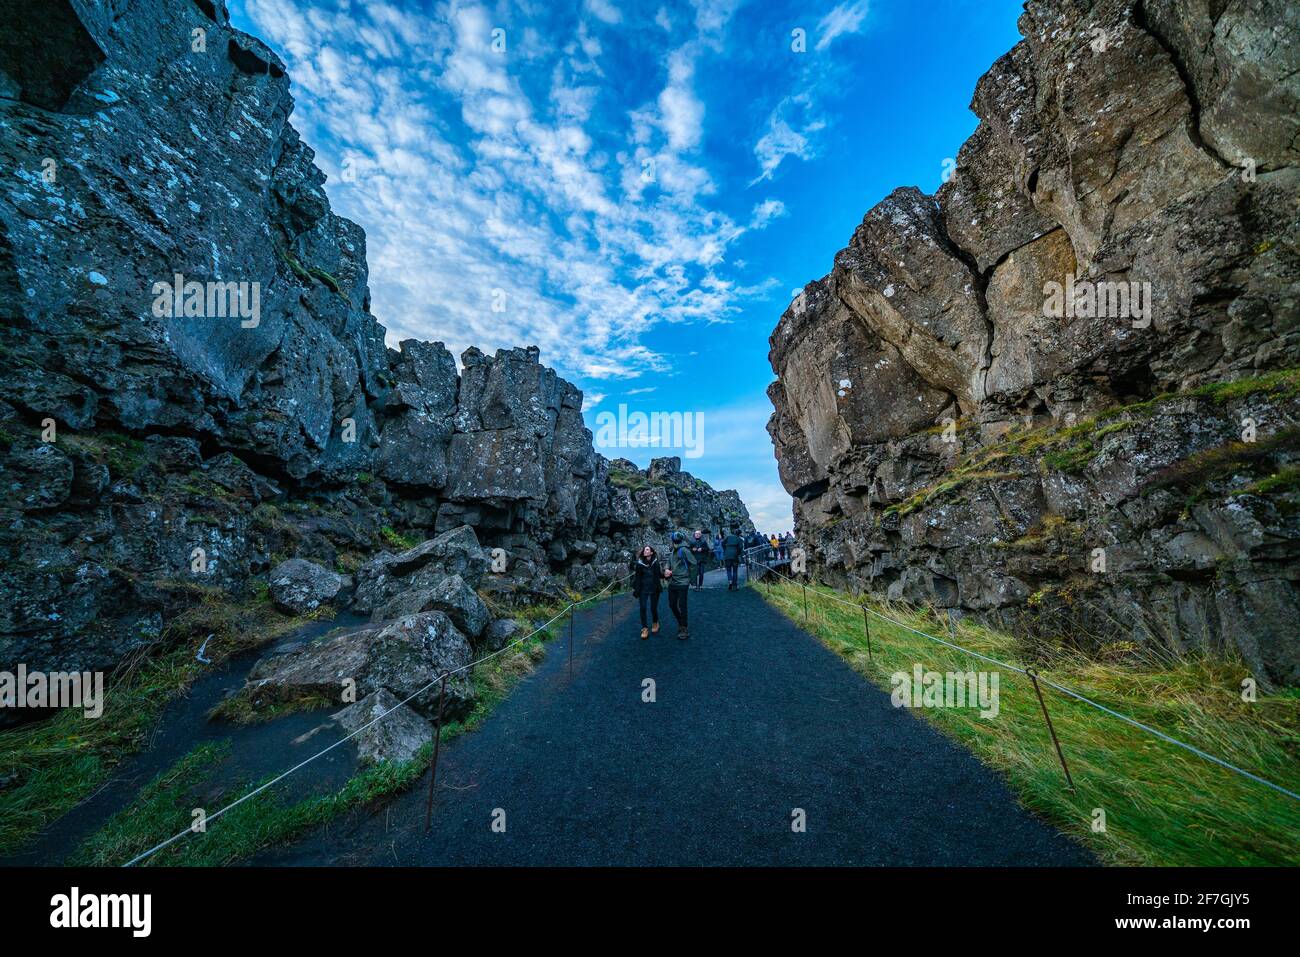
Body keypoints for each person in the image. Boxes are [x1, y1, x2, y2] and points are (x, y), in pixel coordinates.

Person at [629, 545, 663, 640]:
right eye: (644, 550)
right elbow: (638, 578)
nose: (645, 551)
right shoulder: (640, 564)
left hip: (654, 588)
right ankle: (644, 628)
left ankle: (655, 622)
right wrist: (636, 590)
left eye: (647, 549)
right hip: (643, 588)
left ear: (651, 552)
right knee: (643, 607)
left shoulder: (656, 563)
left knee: (653, 608)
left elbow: (659, 575)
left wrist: (666, 574)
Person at [667, 531, 696, 639]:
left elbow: (693, 563)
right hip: (673, 581)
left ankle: (684, 627)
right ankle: (680, 621)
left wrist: (691, 580)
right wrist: (666, 569)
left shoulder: (684, 550)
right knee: (672, 604)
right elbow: (669, 562)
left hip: (683, 582)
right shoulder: (673, 550)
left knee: (682, 605)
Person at [722, 525, 744, 590]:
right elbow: (740, 548)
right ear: (739, 534)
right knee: (735, 571)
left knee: (728, 570)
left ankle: (730, 581)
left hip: (727, 555)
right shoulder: (739, 539)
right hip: (735, 556)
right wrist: (738, 553)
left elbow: (722, 543)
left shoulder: (728, 537)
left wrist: (725, 549)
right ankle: (735, 585)